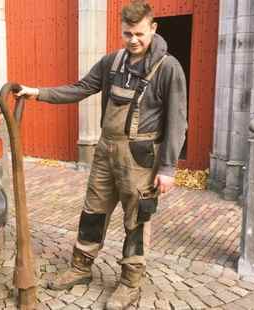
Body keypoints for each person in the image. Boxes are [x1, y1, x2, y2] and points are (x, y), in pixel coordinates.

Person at [16, 1, 187, 309]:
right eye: (127, 34)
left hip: (140, 159)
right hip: (105, 152)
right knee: (93, 210)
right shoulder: (112, 62)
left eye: (138, 34)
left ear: (153, 29)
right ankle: (81, 267)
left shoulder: (169, 68)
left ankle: (129, 282)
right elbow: (80, 88)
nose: (133, 40)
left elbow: (178, 121)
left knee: (137, 220)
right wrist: (38, 93)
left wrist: (169, 168)